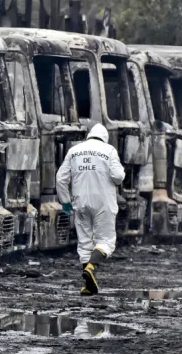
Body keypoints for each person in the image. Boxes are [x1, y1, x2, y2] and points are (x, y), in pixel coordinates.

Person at [55, 123, 125, 295]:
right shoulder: (109, 150)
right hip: (103, 203)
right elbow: (118, 177)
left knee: (85, 243)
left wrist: (65, 201)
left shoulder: (74, 151)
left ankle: (88, 285)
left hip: (80, 202)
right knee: (106, 241)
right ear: (105, 137)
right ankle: (92, 267)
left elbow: (60, 178)